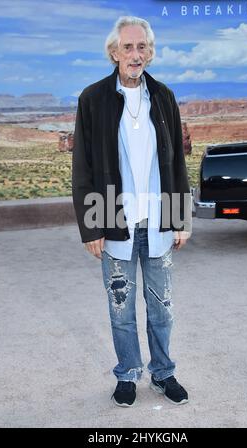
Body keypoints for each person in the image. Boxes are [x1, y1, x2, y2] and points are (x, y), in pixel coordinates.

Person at [72, 16, 192, 407]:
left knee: (162, 309)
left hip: (158, 222)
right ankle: (127, 374)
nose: (136, 55)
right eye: (128, 47)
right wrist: (92, 227)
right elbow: (85, 168)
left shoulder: (165, 98)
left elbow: (176, 164)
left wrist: (181, 219)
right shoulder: (93, 99)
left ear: (150, 53)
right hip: (115, 222)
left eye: (143, 48)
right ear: (114, 52)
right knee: (121, 309)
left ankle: (163, 372)